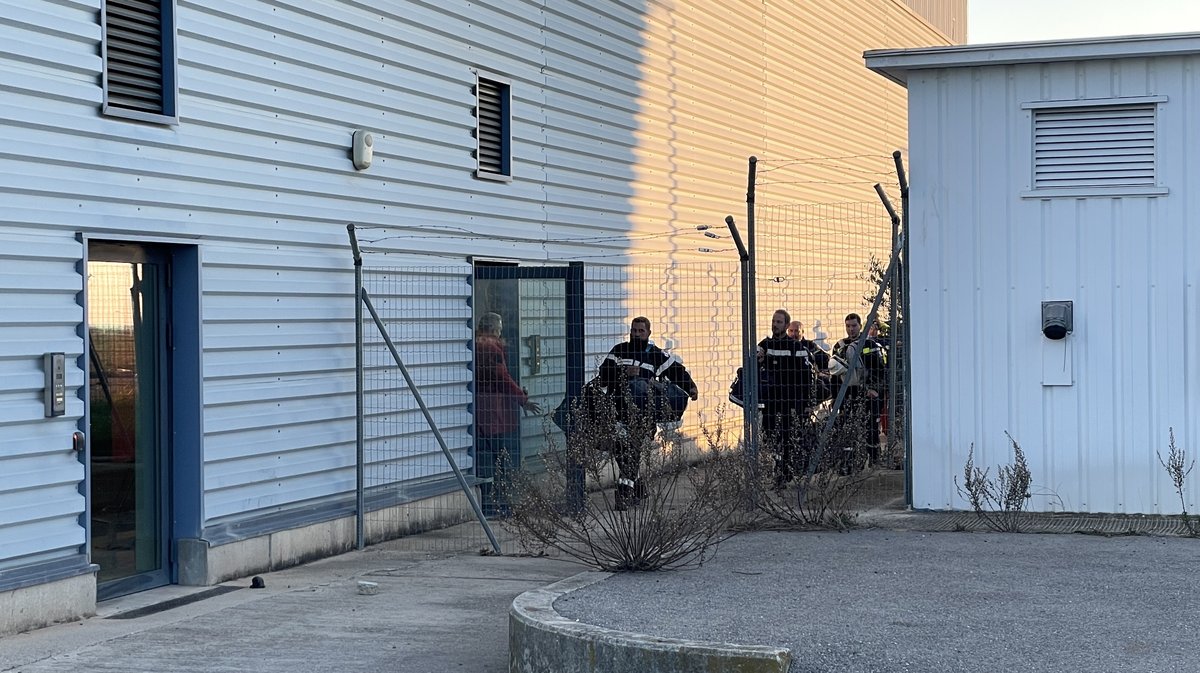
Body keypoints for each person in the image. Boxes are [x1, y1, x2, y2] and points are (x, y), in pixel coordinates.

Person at [598, 317, 699, 509]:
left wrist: (691, 387)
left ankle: (624, 494)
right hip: (618, 411)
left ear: (648, 333)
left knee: (632, 450)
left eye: (640, 331)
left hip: (644, 414)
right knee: (621, 450)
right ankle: (639, 488)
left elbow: (676, 371)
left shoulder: (655, 355)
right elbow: (603, 376)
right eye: (634, 331)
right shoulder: (619, 351)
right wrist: (624, 374)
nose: (636, 334)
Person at [474, 312, 541, 517]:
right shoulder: (490, 347)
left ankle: (493, 501)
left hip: (482, 406)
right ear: (495, 329)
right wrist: (522, 399)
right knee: (499, 456)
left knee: (488, 455)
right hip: (492, 409)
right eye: (500, 327)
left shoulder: (477, 343)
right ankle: (497, 503)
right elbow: (502, 378)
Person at [758, 309, 828, 486]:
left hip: (792, 401)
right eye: (773, 321)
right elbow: (754, 363)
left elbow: (807, 377)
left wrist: (807, 403)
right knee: (769, 436)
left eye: (779, 322)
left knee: (788, 437)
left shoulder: (797, 348)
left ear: (786, 325)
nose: (775, 325)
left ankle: (783, 473)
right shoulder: (766, 345)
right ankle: (781, 468)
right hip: (771, 402)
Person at [831, 312, 886, 468]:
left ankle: (875, 460)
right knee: (847, 427)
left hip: (868, 394)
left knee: (870, 427)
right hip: (848, 393)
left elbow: (879, 370)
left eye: (854, 326)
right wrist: (835, 397)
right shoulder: (839, 346)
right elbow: (835, 374)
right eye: (848, 326)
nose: (851, 329)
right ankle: (851, 463)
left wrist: (873, 389)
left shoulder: (870, 345)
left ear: (860, 326)